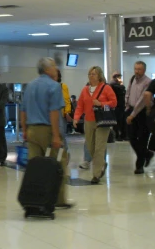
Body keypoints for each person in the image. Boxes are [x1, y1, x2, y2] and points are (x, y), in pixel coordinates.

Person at [20, 57, 71, 208]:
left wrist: (24, 130)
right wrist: (56, 135)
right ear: (48, 69)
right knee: (58, 163)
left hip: (31, 130)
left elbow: (23, 111)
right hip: (47, 131)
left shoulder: (30, 86)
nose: (56, 69)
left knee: (34, 166)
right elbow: (54, 113)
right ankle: (59, 200)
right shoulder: (54, 86)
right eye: (54, 66)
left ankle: (35, 198)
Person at [74, 66, 117, 184]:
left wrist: (102, 104)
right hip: (88, 121)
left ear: (99, 76)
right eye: (90, 74)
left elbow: (114, 104)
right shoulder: (85, 90)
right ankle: (102, 163)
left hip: (102, 121)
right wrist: (76, 118)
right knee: (90, 146)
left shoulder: (106, 88)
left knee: (99, 147)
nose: (91, 76)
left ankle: (96, 175)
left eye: (94, 74)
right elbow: (80, 106)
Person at [125, 61, 153, 174]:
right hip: (131, 110)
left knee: (142, 139)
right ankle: (147, 154)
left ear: (144, 70)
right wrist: (127, 107)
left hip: (142, 113)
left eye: (139, 69)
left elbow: (142, 101)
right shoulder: (132, 79)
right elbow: (128, 93)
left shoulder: (148, 82)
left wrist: (133, 114)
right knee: (131, 137)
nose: (137, 71)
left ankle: (139, 166)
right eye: (135, 68)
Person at [110, 73, 127, 141]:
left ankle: (122, 135)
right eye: (119, 77)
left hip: (120, 105)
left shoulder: (117, 85)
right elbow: (121, 89)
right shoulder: (113, 84)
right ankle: (117, 135)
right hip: (117, 106)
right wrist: (121, 84)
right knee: (117, 121)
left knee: (121, 121)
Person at [56, 70, 73, 136]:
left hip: (61, 113)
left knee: (61, 135)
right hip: (50, 113)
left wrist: (67, 113)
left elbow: (66, 100)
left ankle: (63, 146)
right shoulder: (48, 86)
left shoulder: (63, 86)